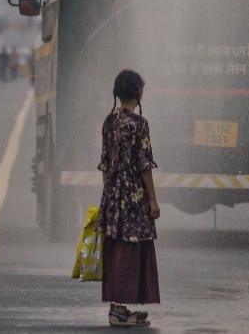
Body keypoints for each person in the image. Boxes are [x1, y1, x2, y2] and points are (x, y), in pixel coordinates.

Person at [96, 70, 160, 327]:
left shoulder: (109, 122)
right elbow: (144, 165)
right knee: (129, 250)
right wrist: (152, 200)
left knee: (117, 248)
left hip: (113, 193)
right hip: (133, 195)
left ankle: (118, 306)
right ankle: (119, 311)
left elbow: (105, 163)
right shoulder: (139, 124)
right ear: (138, 91)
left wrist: (110, 195)